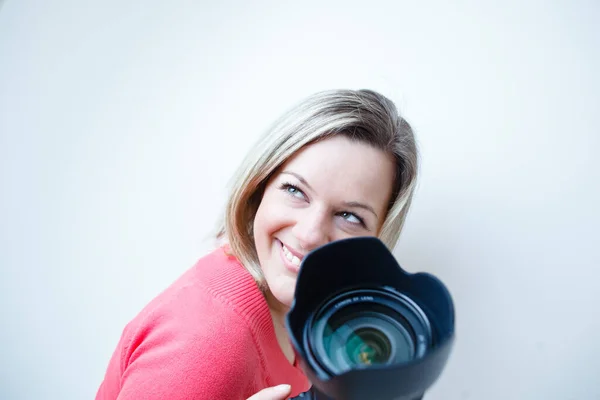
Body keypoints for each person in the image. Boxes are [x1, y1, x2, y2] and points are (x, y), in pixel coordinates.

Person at [95, 89, 419, 400]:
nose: (309, 235)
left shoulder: (310, 318)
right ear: (258, 188)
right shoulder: (211, 344)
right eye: (295, 191)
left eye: (349, 215)